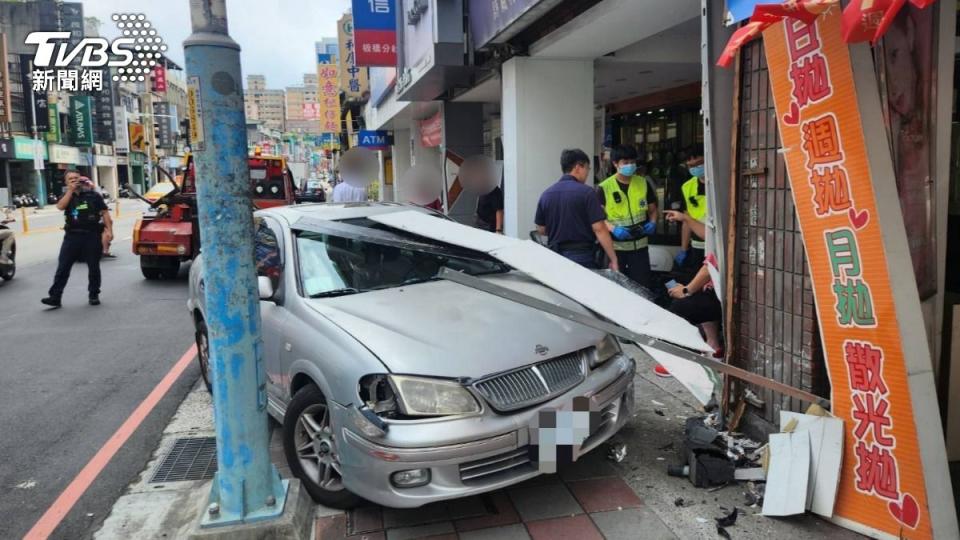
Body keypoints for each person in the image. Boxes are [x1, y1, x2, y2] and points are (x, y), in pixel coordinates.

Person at [535, 149, 618, 270]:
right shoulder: (587, 193)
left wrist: (560, 229)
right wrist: (613, 259)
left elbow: (541, 229)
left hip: (555, 256)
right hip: (582, 256)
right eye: (588, 169)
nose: (588, 173)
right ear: (578, 167)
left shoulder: (546, 194)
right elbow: (600, 229)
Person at [41, 172, 113, 307]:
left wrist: (109, 230)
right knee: (63, 267)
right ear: (66, 183)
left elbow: (104, 213)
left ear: (80, 180)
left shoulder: (93, 195)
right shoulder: (67, 196)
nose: (74, 181)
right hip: (72, 236)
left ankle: (93, 294)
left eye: (76, 178)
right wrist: (70, 191)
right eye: (70, 179)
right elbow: (60, 207)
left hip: (91, 235)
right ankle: (55, 297)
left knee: (93, 267)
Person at [597, 145, 659, 288]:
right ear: (615, 164)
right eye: (625, 162)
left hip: (640, 248)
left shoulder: (642, 183)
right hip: (617, 249)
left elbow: (653, 210)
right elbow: (598, 219)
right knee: (618, 288)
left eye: (633, 162)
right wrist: (613, 229)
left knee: (642, 288)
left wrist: (653, 222)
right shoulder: (604, 187)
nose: (630, 166)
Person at [668, 260, 723, 357]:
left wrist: (685, 291)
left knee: (678, 307)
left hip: (720, 299)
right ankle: (713, 348)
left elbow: (709, 267)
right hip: (716, 295)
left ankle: (678, 358)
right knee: (702, 296)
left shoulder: (716, 246)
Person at [666, 154, 707, 281]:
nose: (695, 168)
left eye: (699, 163)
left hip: (715, 245)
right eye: (691, 166)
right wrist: (684, 249)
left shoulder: (718, 184)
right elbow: (686, 220)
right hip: (697, 246)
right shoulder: (687, 187)